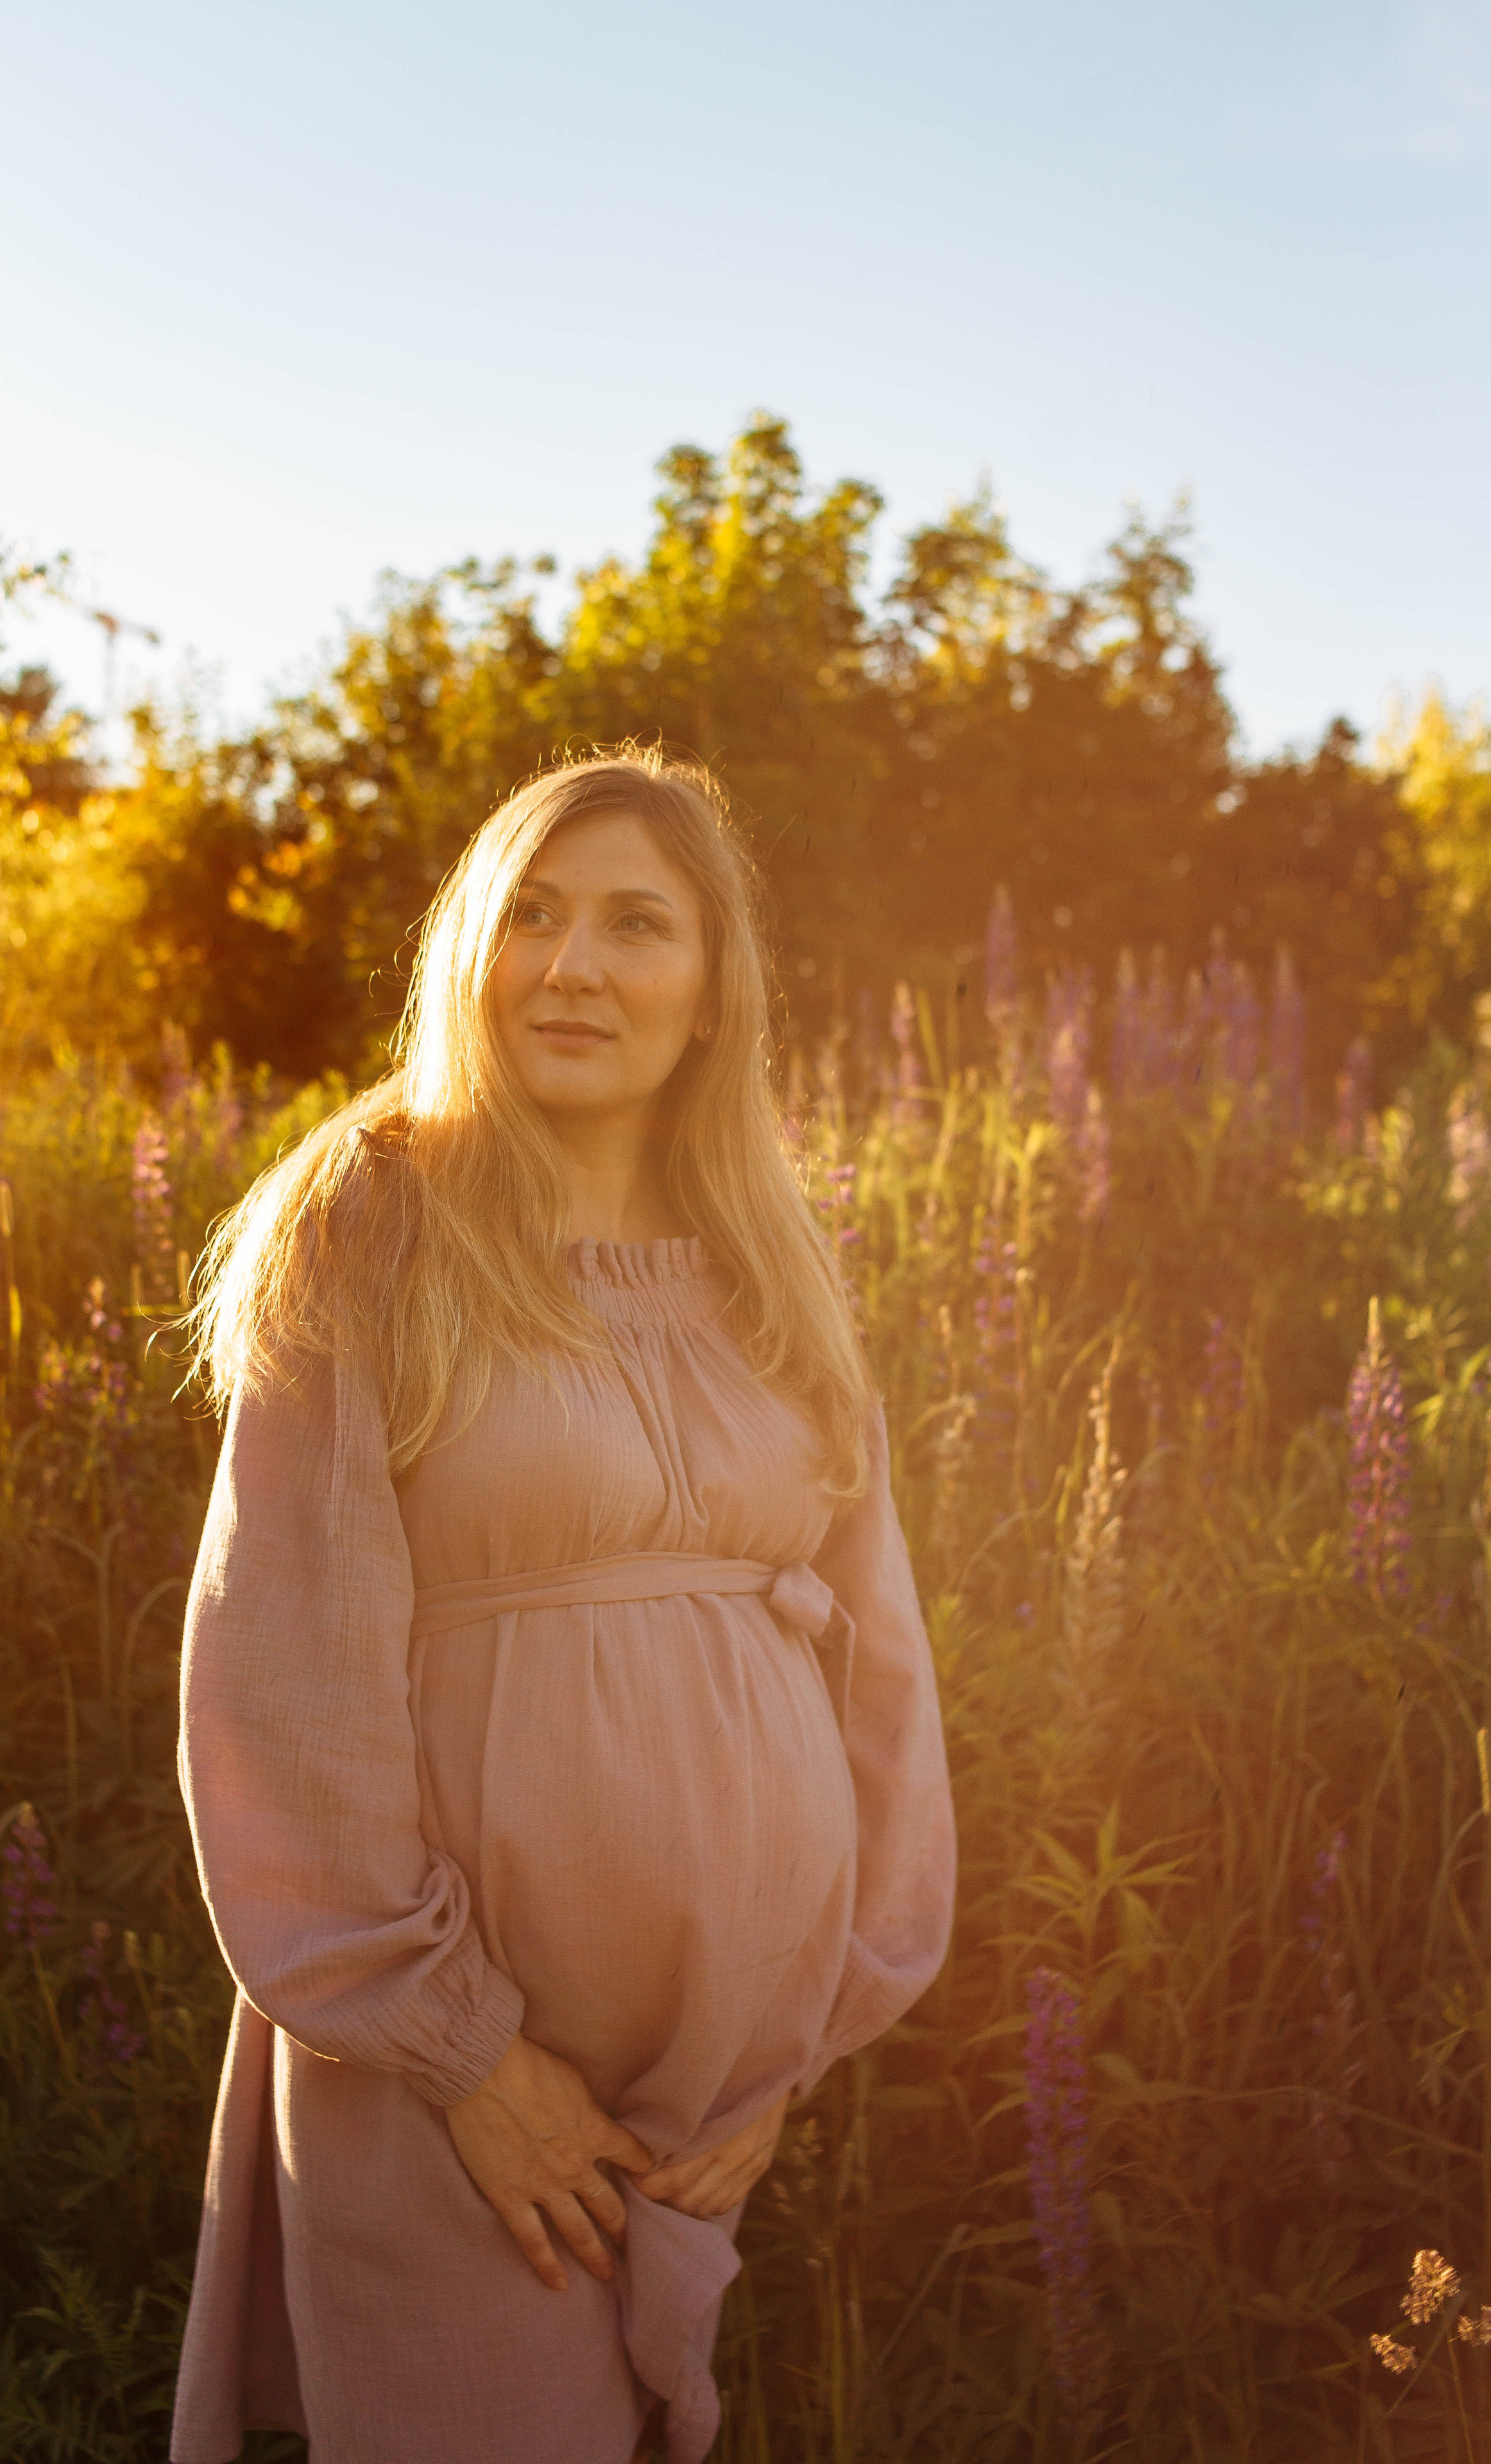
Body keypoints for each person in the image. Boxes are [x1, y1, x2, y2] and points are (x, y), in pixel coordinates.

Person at [169, 748, 956, 2464]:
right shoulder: (369, 1224)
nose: (572, 964)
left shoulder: (770, 1266)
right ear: (470, 953)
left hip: (711, 2092)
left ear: (708, 994)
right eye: (529, 913)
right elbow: (281, 1676)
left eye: (634, 925)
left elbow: (876, 1659)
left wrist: (796, 2041)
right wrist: (470, 2059)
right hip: (455, 2066)